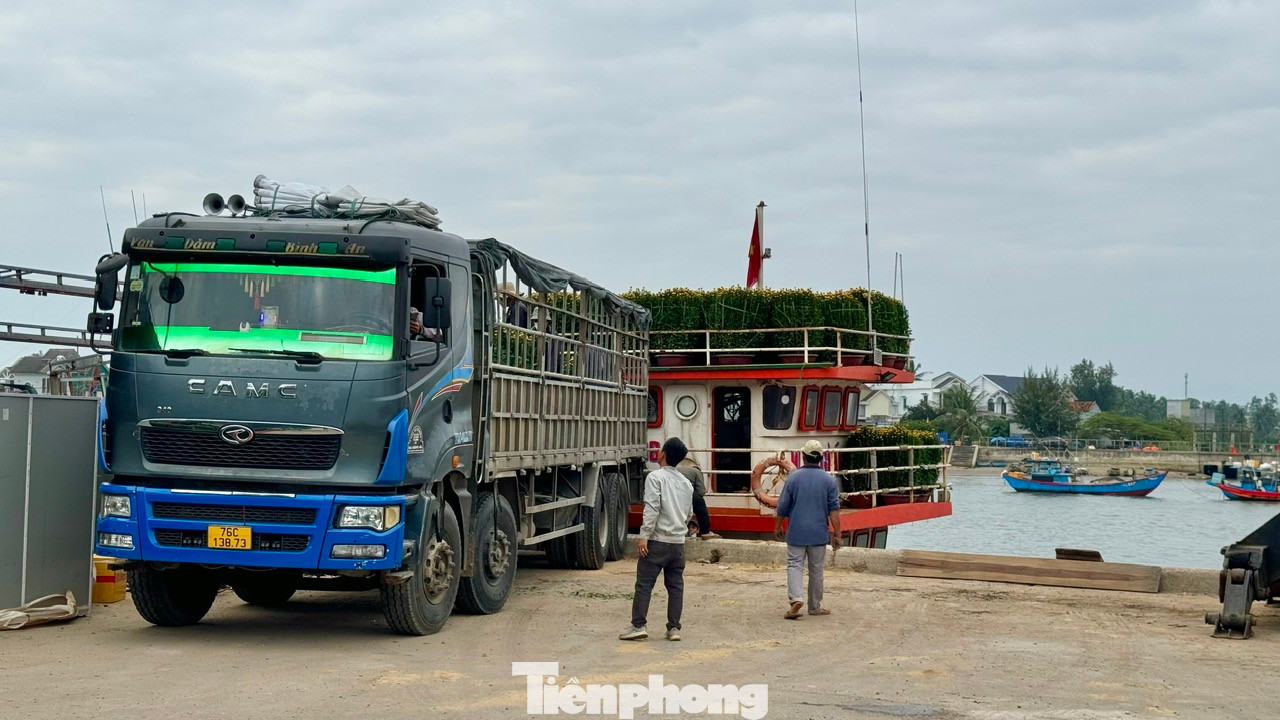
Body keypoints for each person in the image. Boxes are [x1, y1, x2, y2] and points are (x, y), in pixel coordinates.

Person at [620, 437, 694, 642]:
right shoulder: (686, 483)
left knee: (644, 584)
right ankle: (674, 629)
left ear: (663, 454)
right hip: (678, 542)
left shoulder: (655, 478)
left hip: (657, 540)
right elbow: (689, 513)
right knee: (676, 586)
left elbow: (652, 508)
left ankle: (638, 625)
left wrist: (644, 536)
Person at [774, 440, 841, 620]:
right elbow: (834, 509)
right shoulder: (829, 480)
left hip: (796, 531)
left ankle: (796, 598)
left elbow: (783, 506)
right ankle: (815, 606)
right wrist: (837, 534)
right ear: (820, 458)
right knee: (817, 569)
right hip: (819, 533)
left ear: (803, 456)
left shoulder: (793, 478)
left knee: (794, 565)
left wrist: (778, 525)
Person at [677, 458, 719, 540]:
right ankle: (705, 531)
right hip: (687, 491)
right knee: (700, 505)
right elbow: (701, 491)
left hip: (672, 492)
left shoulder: (677, 469)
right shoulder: (696, 471)